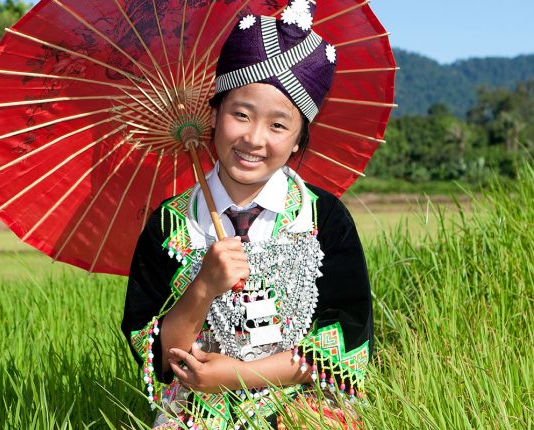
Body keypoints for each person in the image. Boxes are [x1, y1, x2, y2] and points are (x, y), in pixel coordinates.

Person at [121, 2, 372, 428]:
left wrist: (237, 374)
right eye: (240, 114)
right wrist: (204, 285)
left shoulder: (322, 218)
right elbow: (160, 356)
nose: (254, 139)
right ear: (214, 115)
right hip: (199, 402)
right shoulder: (171, 224)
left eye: (278, 126)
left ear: (298, 141)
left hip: (301, 398)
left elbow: (343, 343)